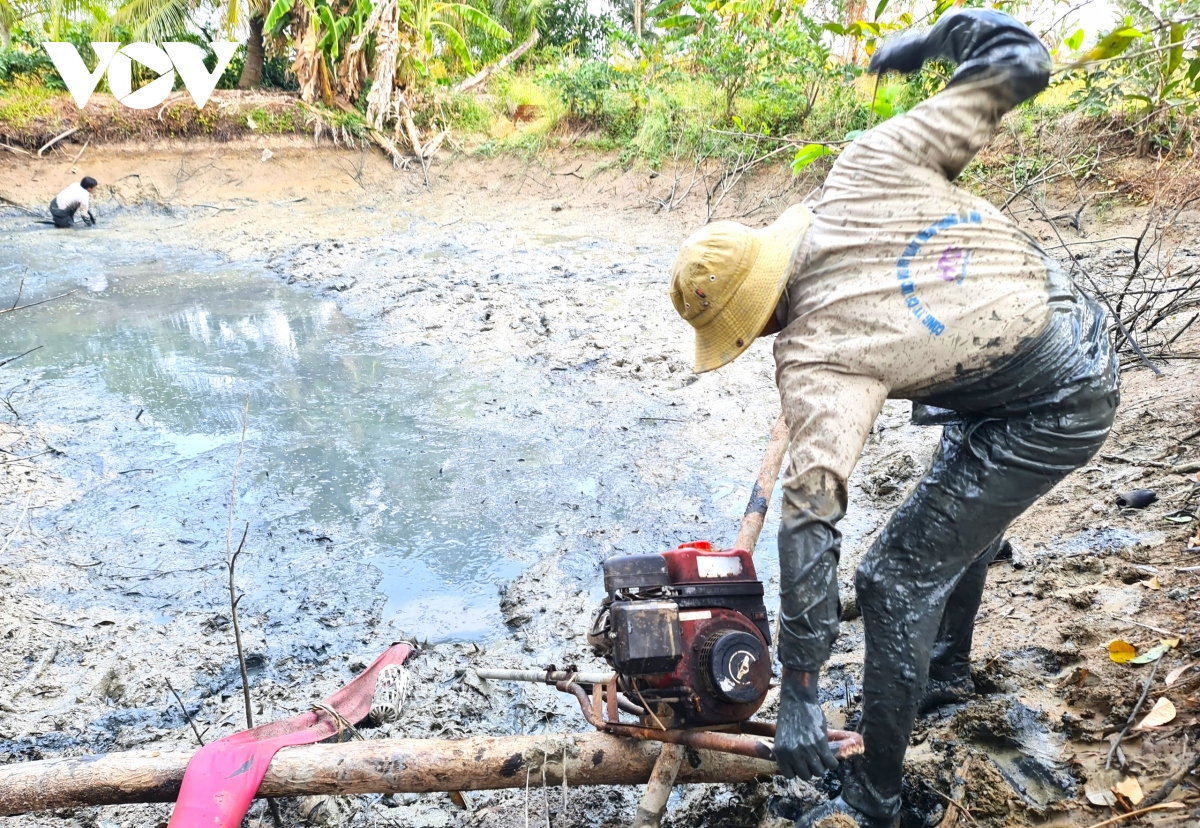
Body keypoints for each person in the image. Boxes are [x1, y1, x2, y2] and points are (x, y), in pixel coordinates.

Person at [668, 11, 1119, 828]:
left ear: (754, 321)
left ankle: (878, 799)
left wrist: (800, 687)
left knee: (891, 579)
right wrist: (939, 39)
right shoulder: (865, 165)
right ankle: (942, 676)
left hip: (1054, 400)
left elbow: (810, 522)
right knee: (952, 500)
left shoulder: (815, 355)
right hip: (1058, 326)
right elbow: (1019, 57)